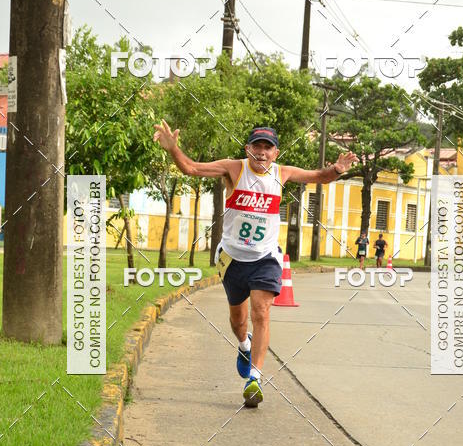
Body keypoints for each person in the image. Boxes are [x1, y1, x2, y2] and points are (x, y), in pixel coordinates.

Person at [153, 120, 358, 407]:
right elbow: (192, 168)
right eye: (257, 146)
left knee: (261, 310)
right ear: (248, 149)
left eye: (268, 147)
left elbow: (318, 176)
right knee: (238, 321)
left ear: (275, 153)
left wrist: (337, 170)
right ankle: (244, 345)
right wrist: (173, 149)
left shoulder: (282, 173)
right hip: (233, 258)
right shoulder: (233, 168)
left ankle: (255, 378)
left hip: (265, 257)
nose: (262, 152)